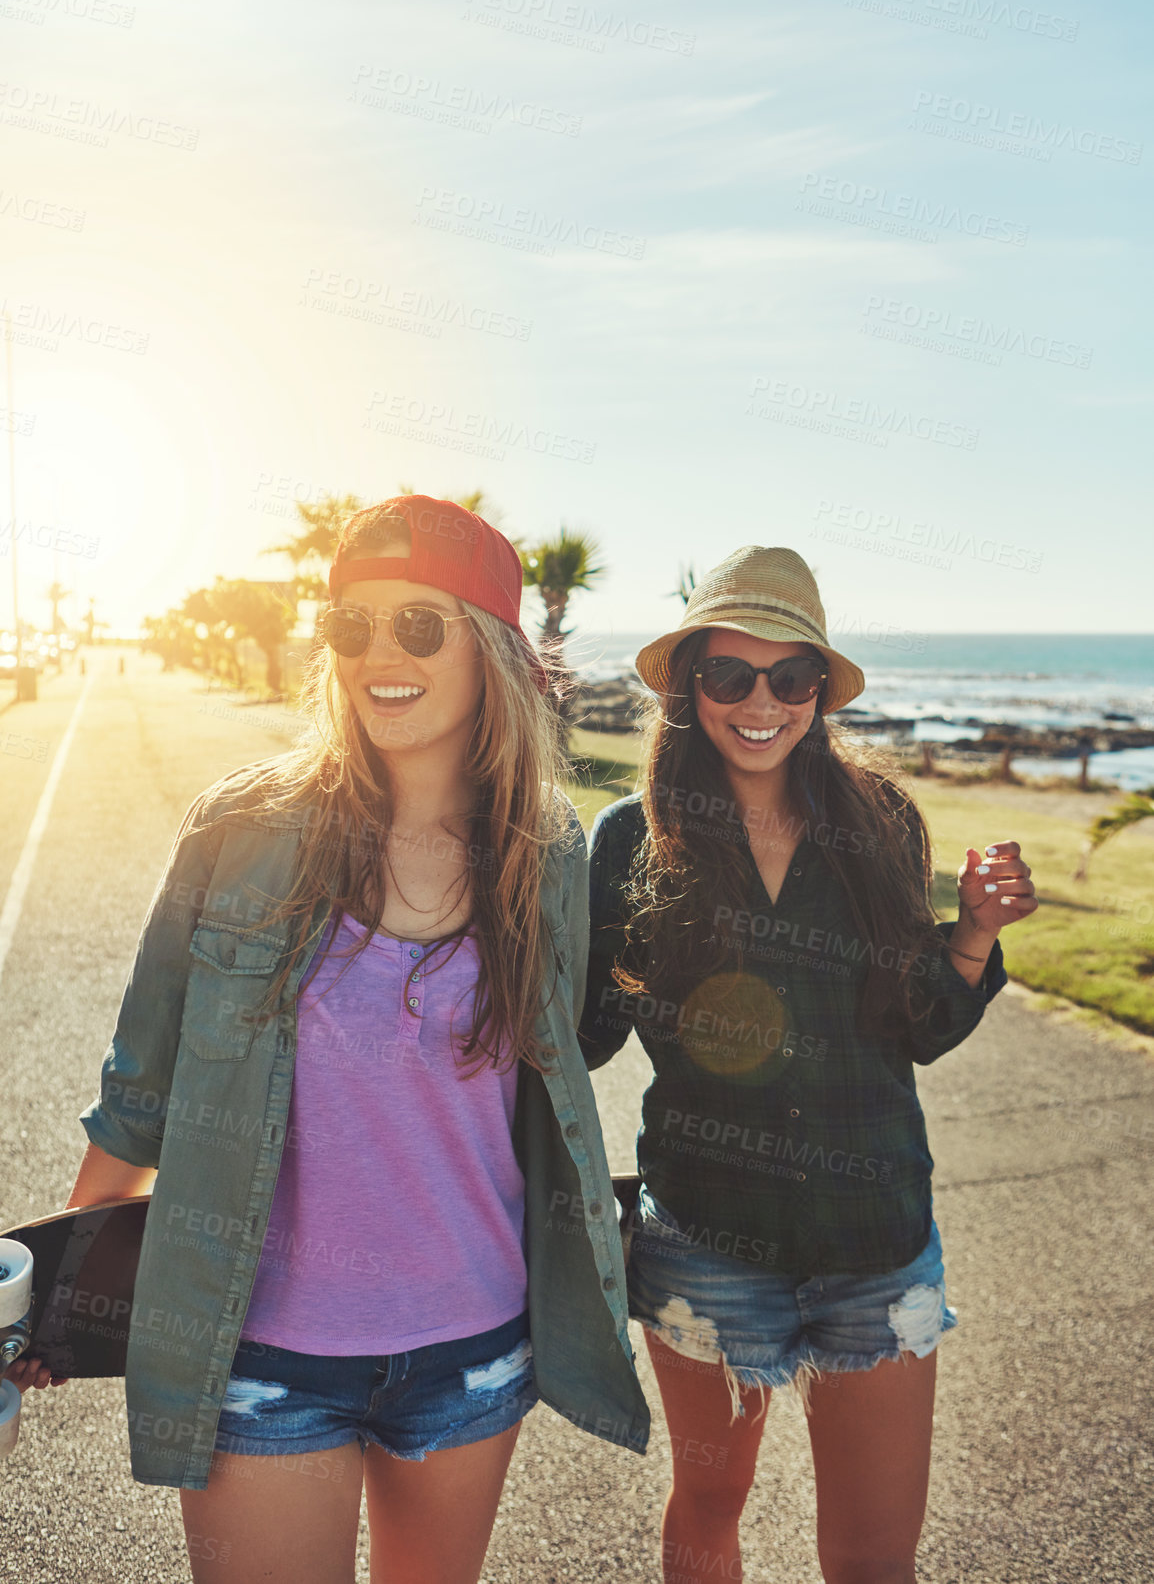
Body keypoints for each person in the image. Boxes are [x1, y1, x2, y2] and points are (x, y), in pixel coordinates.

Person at [8, 495, 648, 1584]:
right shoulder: (240, 830)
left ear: (488, 643)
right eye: (351, 626)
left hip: (472, 1349)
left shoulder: (543, 848)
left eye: (417, 625)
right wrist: (50, 1303)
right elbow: (141, 1090)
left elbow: (552, 1069)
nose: (377, 655)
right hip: (261, 1357)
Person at [580, 545, 1037, 1584]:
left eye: (790, 678)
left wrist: (966, 935)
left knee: (874, 1558)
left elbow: (913, 1024)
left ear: (818, 693)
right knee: (706, 1508)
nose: (760, 701)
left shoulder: (880, 822)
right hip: (703, 1240)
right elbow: (582, 1032)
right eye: (729, 674)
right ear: (688, 685)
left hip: (874, 1243)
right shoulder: (626, 840)